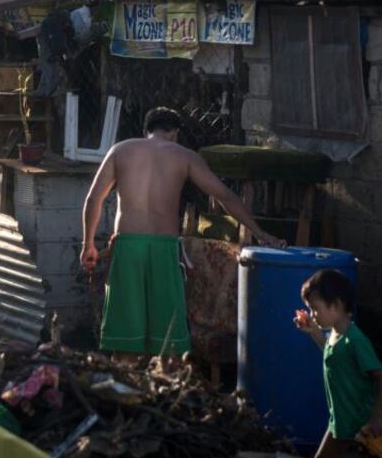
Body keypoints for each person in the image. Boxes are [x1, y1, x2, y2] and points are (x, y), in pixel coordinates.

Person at [80, 106, 285, 361]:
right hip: (164, 249)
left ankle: (122, 392)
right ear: (175, 133)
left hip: (128, 247)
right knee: (168, 343)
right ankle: (165, 393)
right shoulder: (184, 156)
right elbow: (224, 196)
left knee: (125, 341)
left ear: (147, 131)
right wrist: (260, 233)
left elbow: (93, 199)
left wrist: (88, 243)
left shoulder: (120, 150)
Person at [295, 269, 382, 458]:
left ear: (336, 305)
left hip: (361, 424)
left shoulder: (355, 340)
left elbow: (381, 377)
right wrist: (313, 331)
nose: (313, 315)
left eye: (315, 309)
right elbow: (333, 357)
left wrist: (376, 418)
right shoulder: (334, 335)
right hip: (340, 421)